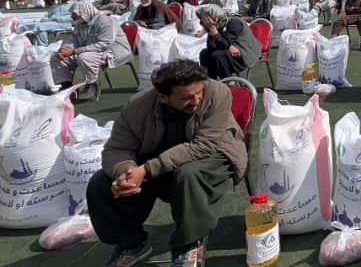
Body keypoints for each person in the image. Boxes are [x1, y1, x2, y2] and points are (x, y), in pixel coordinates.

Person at [87, 60, 247, 267]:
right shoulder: (137, 106)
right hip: (159, 163)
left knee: (189, 174)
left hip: (216, 153)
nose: (196, 100)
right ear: (163, 97)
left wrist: (145, 170)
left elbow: (204, 145)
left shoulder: (217, 92)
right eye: (186, 98)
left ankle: (189, 243)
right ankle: (131, 244)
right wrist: (125, 171)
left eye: (199, 92)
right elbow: (116, 148)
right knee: (100, 182)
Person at [50, 2, 132, 101]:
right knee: (56, 57)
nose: (72, 17)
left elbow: (105, 44)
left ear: (85, 13)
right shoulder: (80, 23)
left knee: (84, 57)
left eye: (75, 15)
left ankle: (91, 84)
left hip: (112, 51)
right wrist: (65, 49)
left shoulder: (105, 22)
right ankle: (67, 86)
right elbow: (74, 40)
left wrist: (75, 51)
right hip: (89, 51)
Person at [196, 5, 261, 79]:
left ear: (215, 17)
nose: (203, 21)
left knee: (218, 55)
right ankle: (211, 80)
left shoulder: (234, 22)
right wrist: (210, 30)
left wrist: (215, 33)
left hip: (244, 54)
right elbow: (212, 47)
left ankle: (229, 81)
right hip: (231, 52)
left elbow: (226, 44)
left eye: (206, 18)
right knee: (204, 53)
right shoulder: (218, 24)